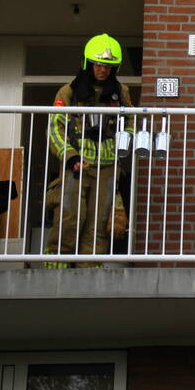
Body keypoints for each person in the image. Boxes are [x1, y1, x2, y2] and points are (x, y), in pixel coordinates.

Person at [45, 33, 134, 268]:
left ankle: (89, 270)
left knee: (99, 222)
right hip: (77, 165)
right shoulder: (69, 92)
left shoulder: (121, 92)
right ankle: (56, 266)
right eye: (97, 64)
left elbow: (131, 124)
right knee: (70, 215)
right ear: (87, 63)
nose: (102, 70)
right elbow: (55, 128)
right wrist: (70, 156)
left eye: (107, 65)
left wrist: (122, 148)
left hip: (107, 167)